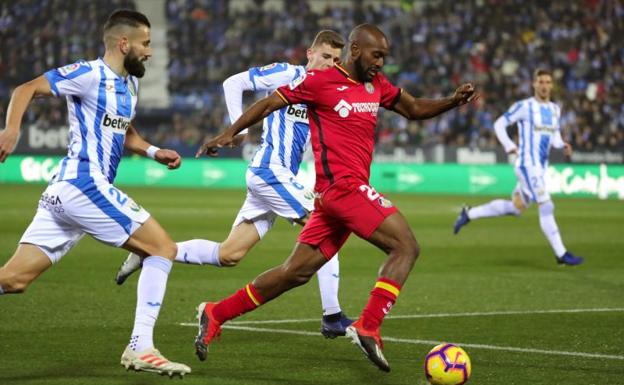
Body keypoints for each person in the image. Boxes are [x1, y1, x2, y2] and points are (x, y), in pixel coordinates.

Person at [193, 23, 476, 372]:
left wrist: (452, 100)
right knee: (406, 246)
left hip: (334, 201)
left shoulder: (376, 85)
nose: (381, 64)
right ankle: (368, 325)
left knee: (293, 273)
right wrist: (228, 133)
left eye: (385, 57)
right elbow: (268, 103)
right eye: (376, 55)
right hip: (342, 188)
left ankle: (215, 313)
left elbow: (414, 107)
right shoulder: (319, 82)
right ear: (355, 50)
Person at [114, 30, 354, 337]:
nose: (329, 64)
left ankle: (153, 250)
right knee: (326, 227)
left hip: (281, 177)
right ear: (309, 54)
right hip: (270, 170)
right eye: (325, 57)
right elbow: (233, 83)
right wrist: (236, 128)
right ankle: (332, 315)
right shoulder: (287, 74)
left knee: (229, 254)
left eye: (335, 60)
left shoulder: (327, 92)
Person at [0, 10, 191, 377]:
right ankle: (141, 347)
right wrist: (11, 130)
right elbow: (25, 89)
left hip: (69, 194)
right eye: (146, 43)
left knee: (13, 280)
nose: (150, 51)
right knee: (162, 248)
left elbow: (125, 132)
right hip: (83, 184)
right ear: (124, 43)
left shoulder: (129, 86)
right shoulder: (89, 74)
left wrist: (153, 151)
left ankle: (139, 254)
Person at [453, 69, 584, 266]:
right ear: (534, 84)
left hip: (540, 167)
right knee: (546, 204)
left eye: (548, 81)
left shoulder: (555, 109)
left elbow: (554, 135)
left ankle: (469, 213)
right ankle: (561, 254)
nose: (544, 85)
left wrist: (561, 144)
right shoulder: (524, 106)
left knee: (516, 208)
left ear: (552, 85)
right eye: (541, 81)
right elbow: (499, 124)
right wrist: (509, 146)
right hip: (526, 165)